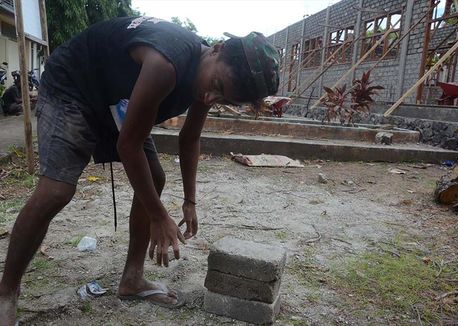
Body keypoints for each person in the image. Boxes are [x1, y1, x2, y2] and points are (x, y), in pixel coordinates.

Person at [0, 16, 279, 324]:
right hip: (74, 84)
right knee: (56, 190)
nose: (211, 98)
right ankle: (6, 292)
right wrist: (159, 215)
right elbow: (128, 145)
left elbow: (190, 138)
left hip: (115, 98)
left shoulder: (206, 81)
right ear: (217, 49)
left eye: (224, 99)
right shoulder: (166, 62)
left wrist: (190, 200)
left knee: (155, 177)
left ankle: (132, 280)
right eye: (217, 87)